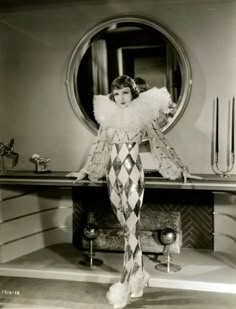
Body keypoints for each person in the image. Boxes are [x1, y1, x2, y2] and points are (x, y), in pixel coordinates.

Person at [67, 75, 198, 309]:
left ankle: (124, 286)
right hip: (112, 176)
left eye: (125, 93)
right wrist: (84, 171)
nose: (121, 98)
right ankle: (139, 279)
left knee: (130, 231)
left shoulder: (142, 118)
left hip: (133, 175)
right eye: (116, 94)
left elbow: (160, 143)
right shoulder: (108, 120)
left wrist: (181, 169)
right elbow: (98, 148)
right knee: (129, 230)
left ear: (133, 93)